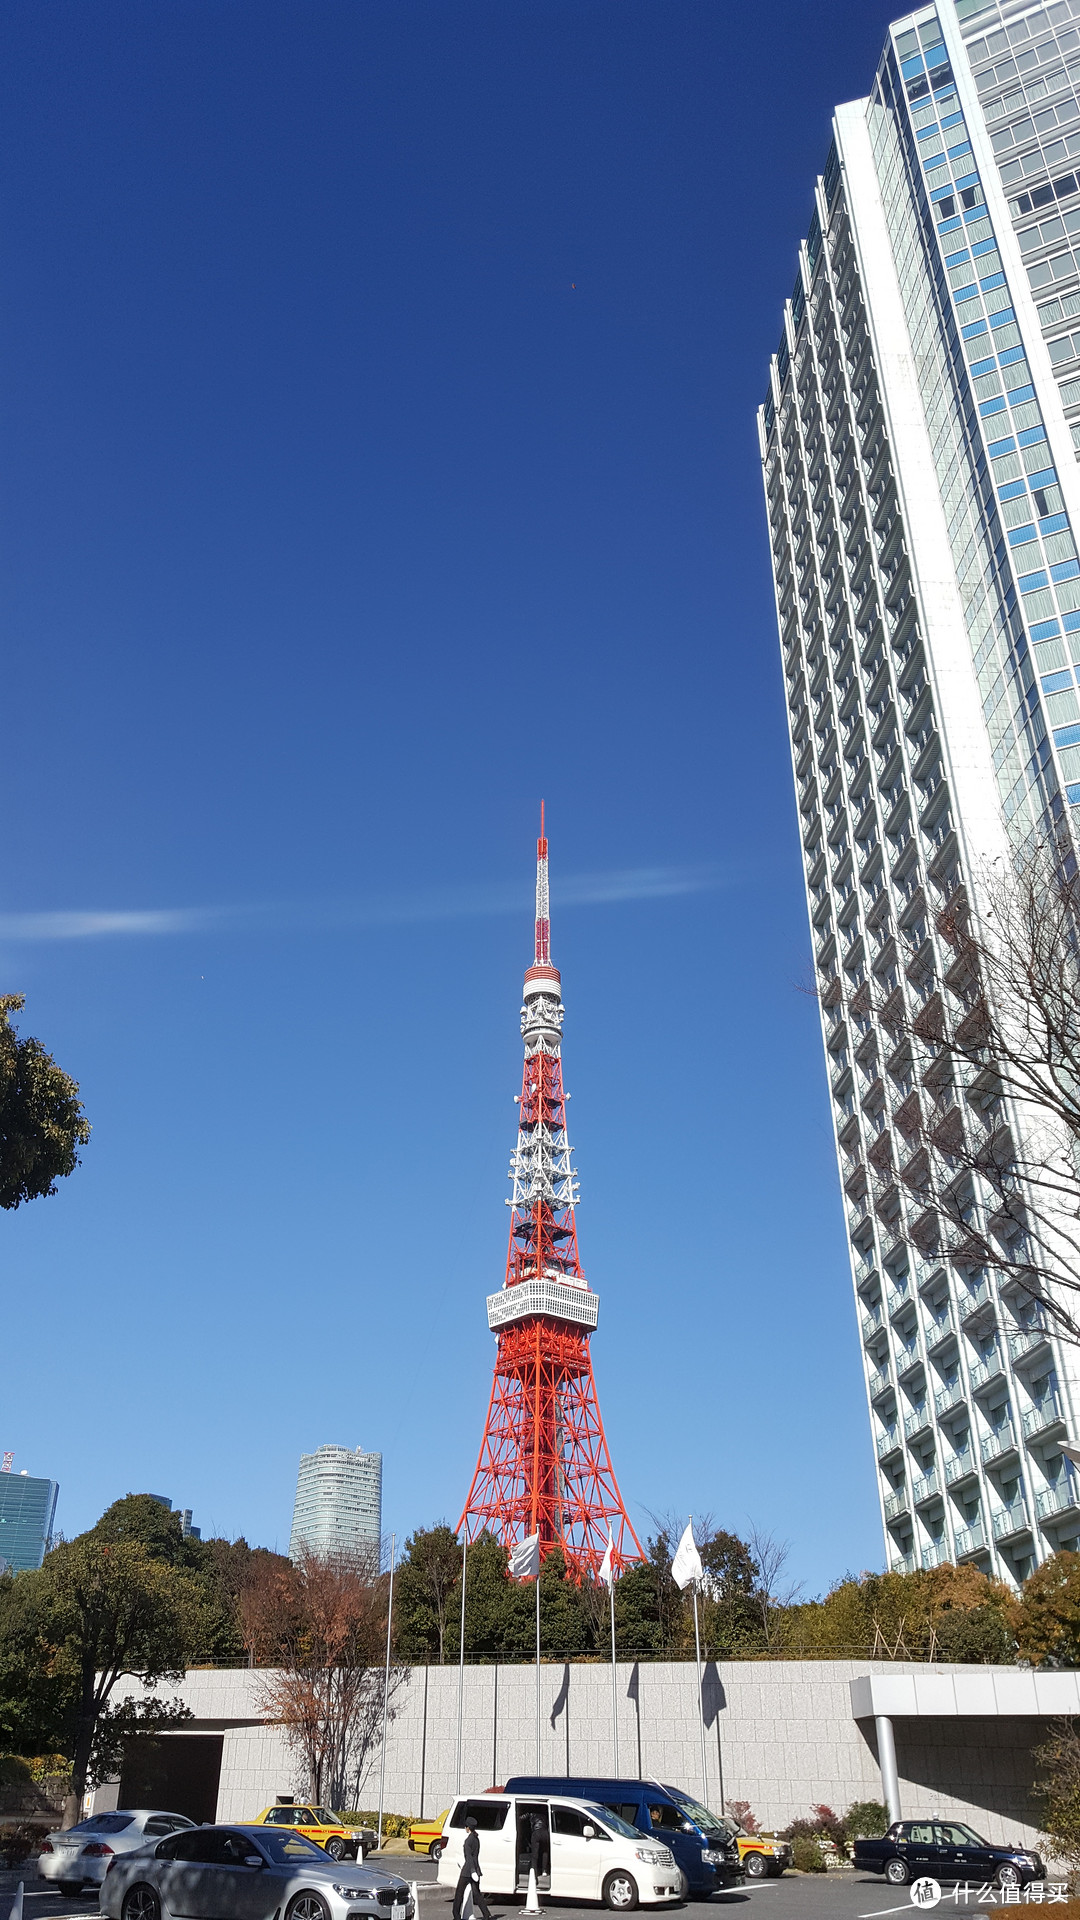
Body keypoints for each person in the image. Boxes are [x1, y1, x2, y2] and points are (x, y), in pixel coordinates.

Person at [453, 1816, 493, 1920]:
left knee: (459, 1894)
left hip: (467, 1871)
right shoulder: (476, 1839)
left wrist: (471, 1870)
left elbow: (469, 1857)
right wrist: (475, 1870)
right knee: (477, 1894)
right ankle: (486, 1914)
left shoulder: (468, 1841)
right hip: (476, 1868)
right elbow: (475, 1856)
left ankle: (456, 1915)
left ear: (468, 1828)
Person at [529, 1812, 549, 1884]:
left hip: (536, 1832)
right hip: (545, 1832)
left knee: (534, 1855)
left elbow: (531, 1826)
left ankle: (534, 1872)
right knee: (545, 1851)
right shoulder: (545, 1815)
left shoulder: (531, 1815)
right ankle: (544, 1871)